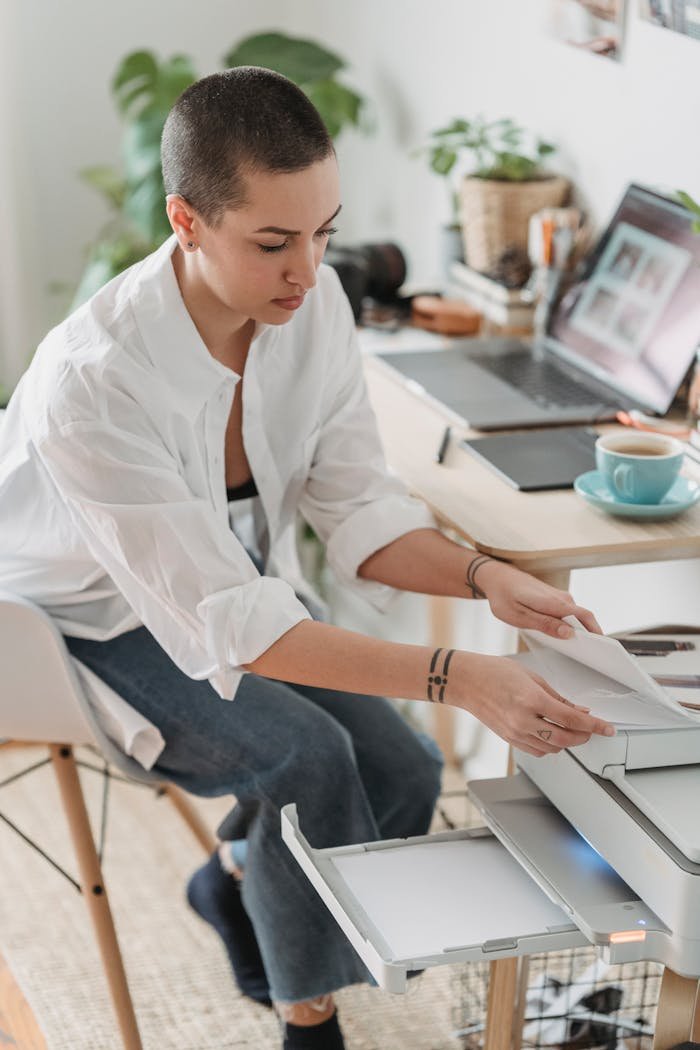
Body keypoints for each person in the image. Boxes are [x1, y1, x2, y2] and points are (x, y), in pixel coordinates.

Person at [0, 67, 614, 1050]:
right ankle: (307, 1024)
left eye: (323, 232)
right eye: (274, 242)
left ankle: (235, 877)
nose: (307, 269)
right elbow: (230, 624)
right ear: (187, 221)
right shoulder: (96, 383)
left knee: (406, 770)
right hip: (72, 625)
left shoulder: (310, 305)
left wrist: (485, 578)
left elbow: (355, 504)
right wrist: (457, 676)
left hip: (220, 585)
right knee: (311, 760)